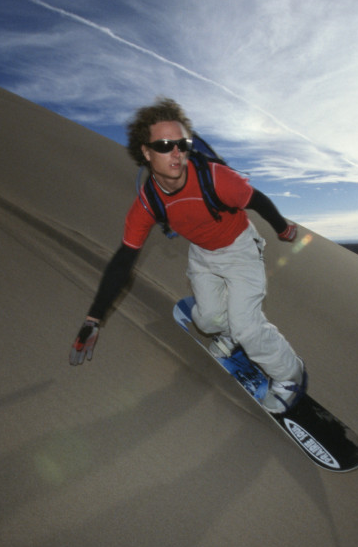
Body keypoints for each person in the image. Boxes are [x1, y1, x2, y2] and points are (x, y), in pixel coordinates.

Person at [69, 98, 306, 414]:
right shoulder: (147, 203)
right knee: (207, 321)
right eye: (165, 145)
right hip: (203, 255)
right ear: (146, 152)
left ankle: (289, 375)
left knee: (247, 325)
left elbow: (256, 200)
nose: (177, 152)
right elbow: (124, 259)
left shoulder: (215, 177)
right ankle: (227, 334)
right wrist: (94, 318)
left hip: (240, 250)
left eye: (182, 143)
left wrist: (281, 228)